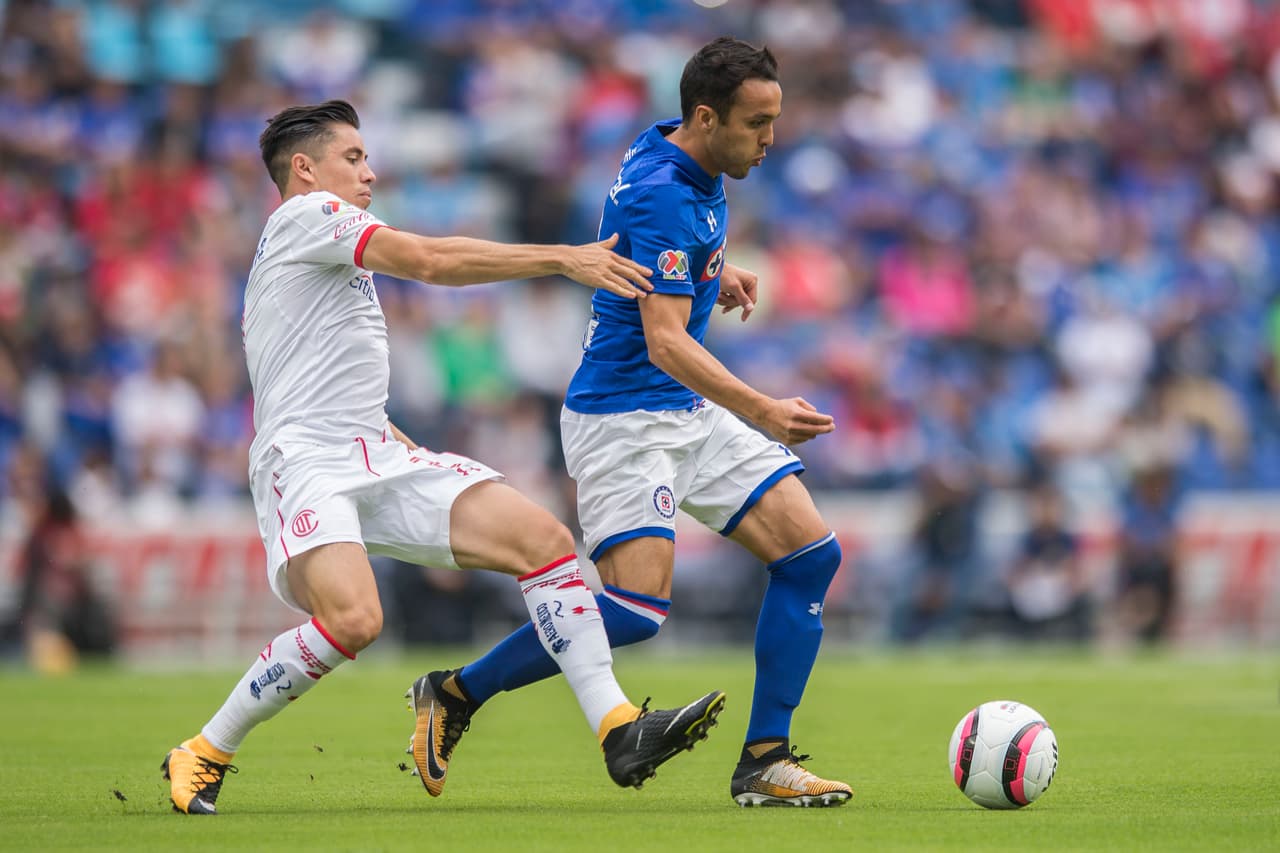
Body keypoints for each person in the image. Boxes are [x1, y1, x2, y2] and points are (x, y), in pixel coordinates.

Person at [161, 100, 725, 816]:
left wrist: (394, 439)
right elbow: (428, 261)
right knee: (354, 619)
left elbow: (325, 369)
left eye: (368, 157)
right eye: (353, 158)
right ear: (304, 169)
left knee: (544, 541)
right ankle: (206, 749)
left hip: (373, 447)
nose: (370, 172)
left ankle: (618, 728)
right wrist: (560, 257)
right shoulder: (305, 216)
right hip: (304, 460)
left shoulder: (324, 244)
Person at [422, 37, 853, 808]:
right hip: (624, 418)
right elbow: (664, 341)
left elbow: (657, 251)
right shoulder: (664, 190)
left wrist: (712, 268)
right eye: (757, 123)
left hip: (683, 408)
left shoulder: (675, 149)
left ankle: (765, 758)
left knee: (809, 555)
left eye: (774, 119)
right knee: (635, 610)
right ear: (706, 117)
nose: (771, 139)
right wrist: (762, 409)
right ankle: (458, 690)